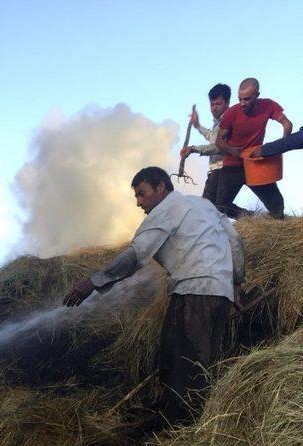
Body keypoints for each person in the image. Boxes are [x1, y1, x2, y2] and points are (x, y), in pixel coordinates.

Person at [63, 167, 245, 425]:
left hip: (193, 294)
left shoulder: (165, 211)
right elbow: (236, 242)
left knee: (182, 363)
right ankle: (185, 420)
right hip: (221, 295)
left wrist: (93, 282)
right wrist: (236, 284)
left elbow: (136, 255)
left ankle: (177, 428)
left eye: (142, 194)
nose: (138, 202)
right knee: (199, 362)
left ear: (161, 188)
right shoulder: (203, 205)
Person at [215, 77, 292, 218]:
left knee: (277, 207)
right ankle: (253, 219)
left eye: (247, 99)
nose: (242, 103)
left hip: (255, 163)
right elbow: (219, 141)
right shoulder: (232, 113)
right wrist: (232, 150)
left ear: (257, 95)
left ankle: (272, 223)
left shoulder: (268, 105)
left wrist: (281, 146)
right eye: (240, 99)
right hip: (233, 165)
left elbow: (287, 124)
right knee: (221, 206)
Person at [181, 83, 248, 218]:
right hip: (215, 170)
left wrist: (194, 149)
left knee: (219, 208)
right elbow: (212, 137)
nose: (214, 108)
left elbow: (218, 147)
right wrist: (198, 126)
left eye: (218, 104)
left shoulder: (228, 120)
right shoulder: (218, 121)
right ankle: (252, 218)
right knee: (208, 209)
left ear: (227, 103)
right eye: (212, 104)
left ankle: (252, 218)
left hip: (225, 169)